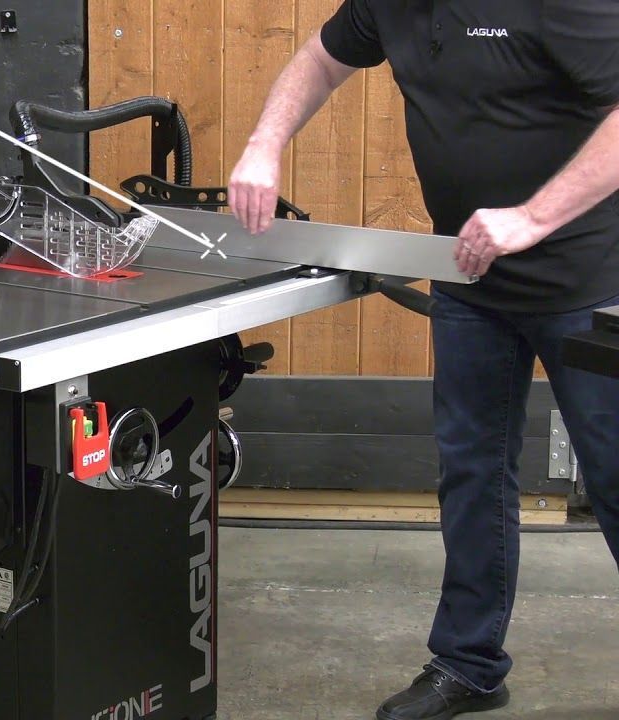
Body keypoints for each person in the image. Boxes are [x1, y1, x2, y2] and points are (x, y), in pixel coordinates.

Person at [227, 2, 619, 719]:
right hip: (468, 276)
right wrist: (264, 143)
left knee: (616, 474)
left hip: (593, 284)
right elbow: (320, 59)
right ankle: (469, 664)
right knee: (471, 475)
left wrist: (531, 218)